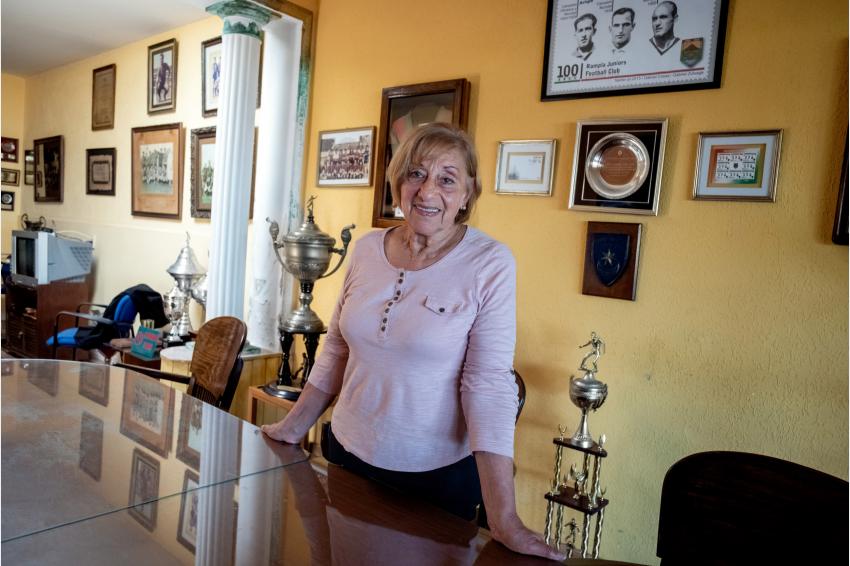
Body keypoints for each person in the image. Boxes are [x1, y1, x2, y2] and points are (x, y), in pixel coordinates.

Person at [263, 122, 566, 562]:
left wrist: (505, 519)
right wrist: (293, 427)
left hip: (435, 478)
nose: (427, 191)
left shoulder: (490, 262)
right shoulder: (366, 249)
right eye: (416, 174)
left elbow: (487, 384)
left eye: (447, 179)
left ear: (468, 193)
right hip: (347, 455)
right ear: (398, 183)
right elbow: (337, 350)